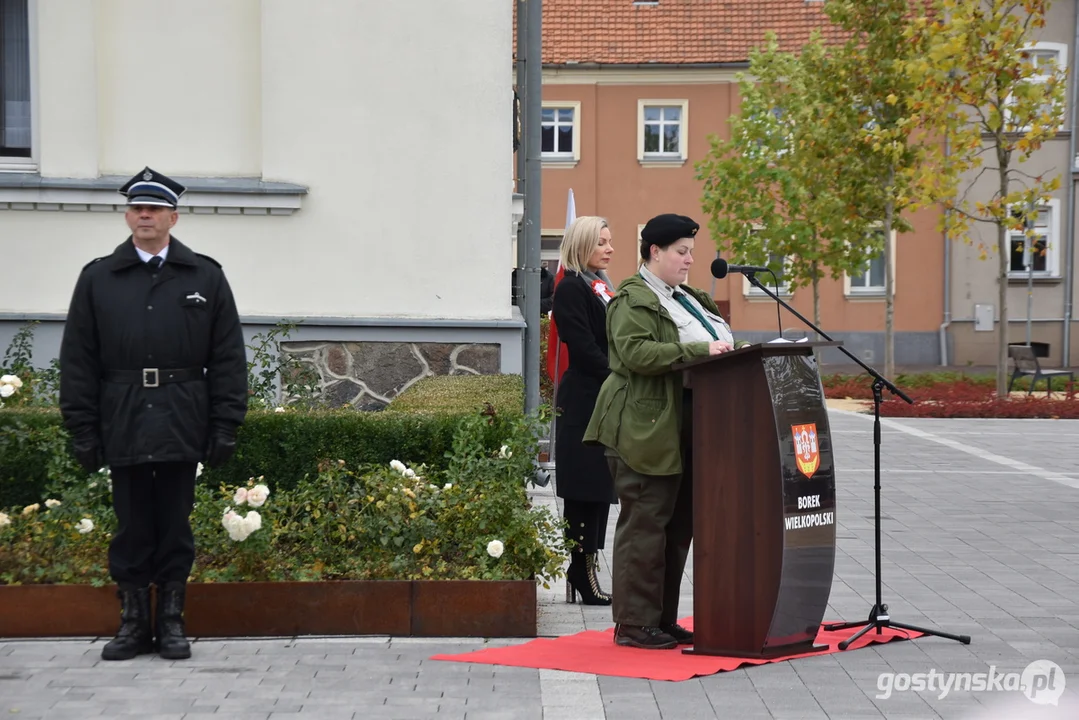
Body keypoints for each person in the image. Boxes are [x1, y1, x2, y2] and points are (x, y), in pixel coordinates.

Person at [59, 167, 248, 661]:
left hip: (182, 415)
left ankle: (171, 623)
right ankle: (132, 623)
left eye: (155, 208)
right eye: (137, 208)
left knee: (174, 525)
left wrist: (226, 423)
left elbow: (227, 356)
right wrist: (82, 428)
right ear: (127, 217)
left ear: (173, 218)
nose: (145, 215)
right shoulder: (99, 277)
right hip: (122, 416)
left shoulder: (204, 276)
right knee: (131, 526)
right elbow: (78, 359)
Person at [583, 213, 747, 650]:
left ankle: (661, 618)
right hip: (643, 426)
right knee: (646, 524)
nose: (691, 259)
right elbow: (635, 352)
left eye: (691, 251)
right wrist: (700, 349)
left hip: (687, 424)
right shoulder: (632, 299)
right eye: (681, 251)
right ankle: (635, 623)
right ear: (654, 252)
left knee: (677, 527)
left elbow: (717, 339)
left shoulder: (687, 298)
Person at [550, 216, 618, 606]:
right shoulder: (572, 288)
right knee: (583, 489)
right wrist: (619, 373)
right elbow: (583, 346)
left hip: (603, 396)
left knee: (600, 488)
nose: (609, 249)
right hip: (585, 399)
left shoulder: (599, 285)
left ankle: (588, 569)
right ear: (582, 245)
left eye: (610, 242)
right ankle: (580, 569)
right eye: (601, 243)